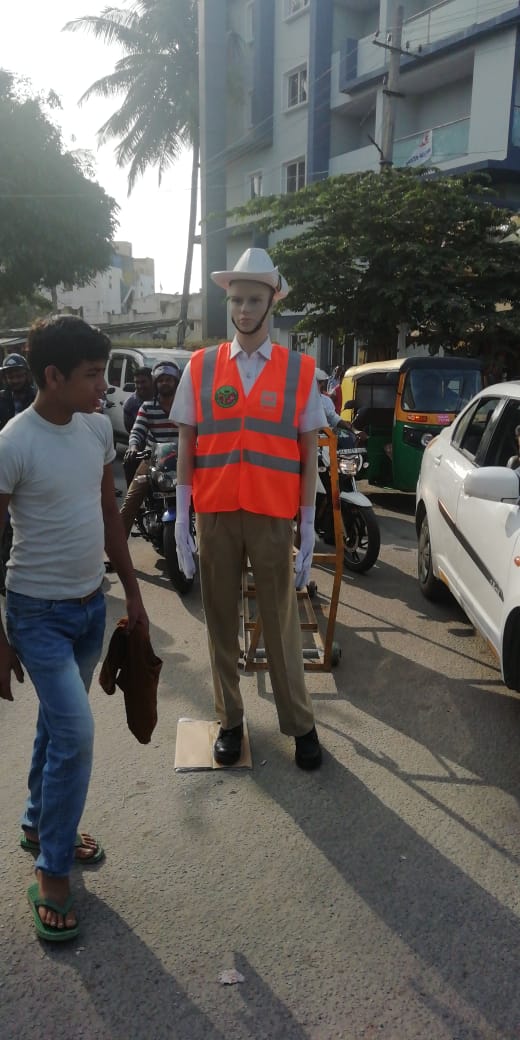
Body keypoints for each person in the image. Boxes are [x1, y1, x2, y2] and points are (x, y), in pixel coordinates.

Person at [0, 315, 148, 943]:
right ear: (53, 376)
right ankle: (52, 870)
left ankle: (41, 822)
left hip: (91, 609)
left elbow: (110, 515)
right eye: (92, 376)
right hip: (34, 613)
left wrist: (134, 594)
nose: (101, 388)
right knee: (78, 732)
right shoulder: (14, 441)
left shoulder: (94, 430)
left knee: (58, 726)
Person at [171, 247, 327, 770]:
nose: (242, 309)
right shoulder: (202, 366)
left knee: (280, 622)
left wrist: (308, 524)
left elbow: (308, 455)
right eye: (236, 299)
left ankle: (300, 725)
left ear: (272, 300)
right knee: (219, 622)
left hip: (270, 516)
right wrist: (181, 517)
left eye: (253, 299)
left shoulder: (300, 372)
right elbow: (187, 443)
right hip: (215, 514)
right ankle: (230, 721)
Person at [119, 361, 180, 538]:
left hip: (183, 461)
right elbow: (137, 430)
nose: (165, 383)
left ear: (176, 381)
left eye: (169, 379)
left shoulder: (187, 405)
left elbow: (199, 429)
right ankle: (117, 549)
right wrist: (133, 446)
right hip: (154, 460)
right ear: (155, 383)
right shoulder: (146, 407)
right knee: (131, 499)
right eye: (161, 380)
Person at [122, 367, 154, 486]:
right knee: (129, 461)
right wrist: (134, 447)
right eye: (137, 383)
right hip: (145, 449)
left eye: (143, 382)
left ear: (152, 381)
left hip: (168, 448)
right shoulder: (130, 404)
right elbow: (132, 430)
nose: (140, 386)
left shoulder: (164, 398)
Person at [0, 353, 36, 429]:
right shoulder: (1, 399)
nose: (15, 380)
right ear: (5, 379)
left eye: (19, 376)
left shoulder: (36, 398)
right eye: (11, 377)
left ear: (27, 375)